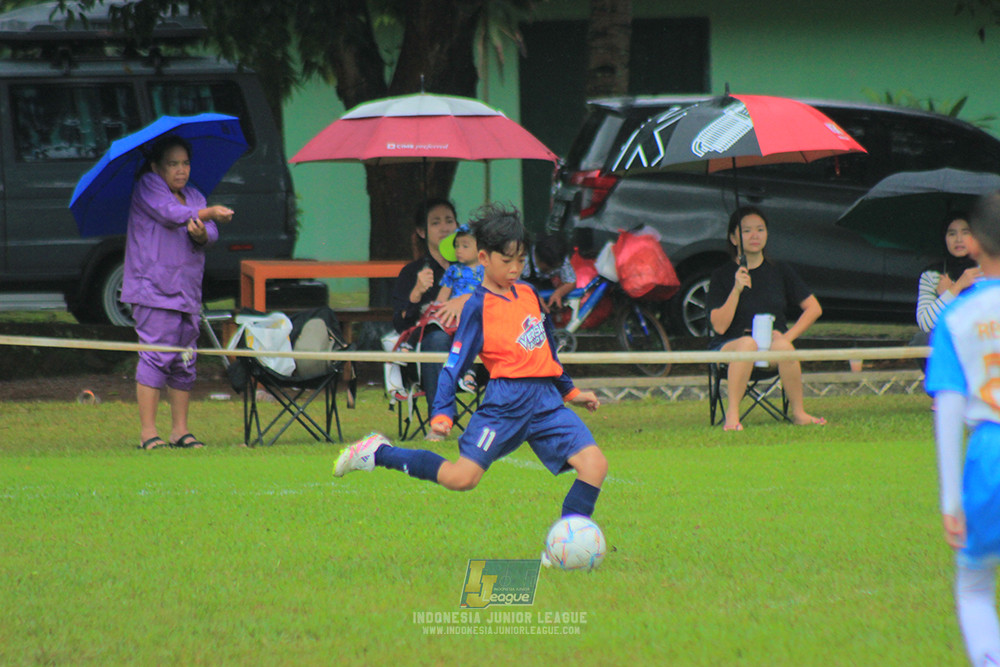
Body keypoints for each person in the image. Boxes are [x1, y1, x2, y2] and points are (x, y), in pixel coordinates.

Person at [335, 203, 607, 560]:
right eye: (506, 260)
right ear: (483, 257)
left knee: (595, 465)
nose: (514, 269)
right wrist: (442, 412)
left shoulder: (527, 294)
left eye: (521, 260)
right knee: (461, 479)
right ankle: (377, 452)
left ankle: (562, 550)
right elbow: (454, 364)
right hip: (505, 405)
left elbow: (547, 349)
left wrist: (570, 391)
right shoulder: (477, 306)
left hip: (544, 401)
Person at [925, 191, 1000, 667]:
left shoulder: (955, 317)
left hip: (989, 457)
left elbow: (949, 408)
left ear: (973, 245)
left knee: (974, 587)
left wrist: (950, 500)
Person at [121, 135, 234, 450]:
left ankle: (180, 431)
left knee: (184, 360)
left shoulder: (195, 195)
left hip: (186, 293)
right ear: (157, 166)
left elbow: (209, 235)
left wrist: (201, 233)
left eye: (185, 163)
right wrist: (208, 214)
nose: (181, 170)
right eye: (172, 163)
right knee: (155, 356)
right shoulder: (148, 186)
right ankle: (148, 433)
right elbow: (170, 213)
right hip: (153, 290)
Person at [706, 206, 825, 431]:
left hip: (770, 347)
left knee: (784, 347)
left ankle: (799, 413)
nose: (754, 235)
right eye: (747, 230)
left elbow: (813, 309)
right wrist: (736, 289)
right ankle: (732, 417)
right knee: (747, 344)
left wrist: (787, 336)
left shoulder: (780, 270)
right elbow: (719, 326)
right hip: (731, 346)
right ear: (733, 238)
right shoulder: (722, 275)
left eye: (760, 229)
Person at [390, 198, 467, 424]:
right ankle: (441, 417)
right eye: (435, 223)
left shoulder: (473, 266)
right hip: (435, 344)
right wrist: (416, 292)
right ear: (422, 231)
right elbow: (400, 323)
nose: (444, 227)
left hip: (472, 338)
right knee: (436, 339)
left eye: (449, 221)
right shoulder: (413, 272)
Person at [916, 213, 982, 338]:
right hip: (946, 342)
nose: (958, 239)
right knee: (921, 339)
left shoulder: (987, 272)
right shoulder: (932, 275)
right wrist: (953, 290)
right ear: (944, 238)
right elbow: (925, 324)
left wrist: (951, 298)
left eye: (965, 232)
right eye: (952, 233)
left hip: (980, 344)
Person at [436, 222, 485, 393]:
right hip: (453, 313)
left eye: (465, 246)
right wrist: (438, 309)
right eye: (457, 246)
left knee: (474, 334)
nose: (459, 250)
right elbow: (442, 297)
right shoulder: (453, 270)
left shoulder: (485, 271)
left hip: (475, 313)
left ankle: (470, 373)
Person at [522, 231, 577, 310]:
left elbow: (571, 282)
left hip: (544, 286)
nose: (550, 272)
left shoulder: (559, 257)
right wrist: (533, 297)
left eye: (554, 269)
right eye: (547, 269)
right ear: (538, 259)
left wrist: (559, 293)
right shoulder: (522, 259)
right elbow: (508, 286)